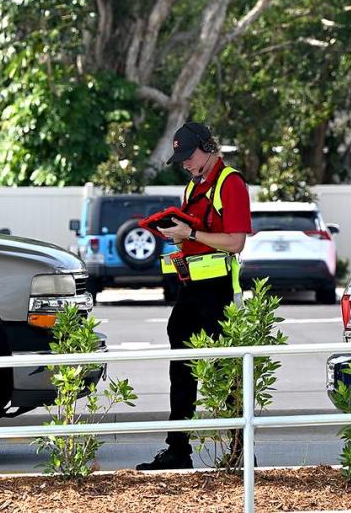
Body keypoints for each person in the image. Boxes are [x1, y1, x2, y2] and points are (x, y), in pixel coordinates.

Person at [136, 122, 251, 470]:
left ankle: (240, 451)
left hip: (217, 293)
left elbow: (236, 241)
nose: (185, 163)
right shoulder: (192, 188)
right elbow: (194, 238)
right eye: (181, 158)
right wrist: (178, 237)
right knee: (182, 368)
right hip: (190, 289)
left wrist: (192, 232)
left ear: (208, 147)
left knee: (224, 371)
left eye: (189, 155)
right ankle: (178, 449)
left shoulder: (230, 183)